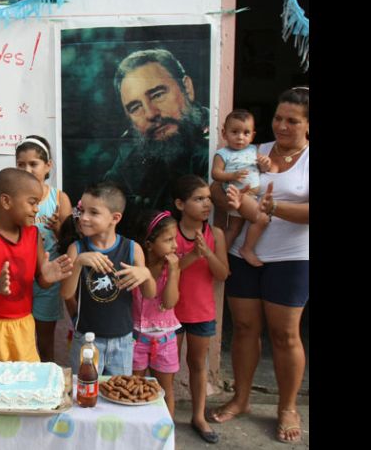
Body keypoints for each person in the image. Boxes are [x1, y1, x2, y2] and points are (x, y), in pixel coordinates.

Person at [209, 87, 309, 444]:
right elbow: (219, 190)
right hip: (243, 252)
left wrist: (270, 209)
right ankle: (241, 398)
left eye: (292, 120)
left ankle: (287, 406)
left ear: (307, 124)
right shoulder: (255, 150)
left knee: (284, 335)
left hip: (292, 257)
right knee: (246, 327)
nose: (282, 126)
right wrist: (226, 196)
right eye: (278, 118)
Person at [0, 168, 73, 362]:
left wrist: (48, 278)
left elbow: (41, 280)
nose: (37, 209)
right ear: (6, 201)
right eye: (32, 202)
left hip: (23, 325)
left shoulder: (33, 235)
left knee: (24, 380)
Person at [103, 48, 209, 238]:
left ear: (187, 88)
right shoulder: (130, 157)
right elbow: (101, 203)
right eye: (136, 107)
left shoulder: (217, 144)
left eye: (158, 94)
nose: (151, 114)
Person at [60, 181, 156, 376]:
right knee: (83, 394)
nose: (84, 218)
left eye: (93, 212)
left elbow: (150, 294)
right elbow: (66, 293)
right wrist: (79, 262)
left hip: (123, 340)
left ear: (115, 218)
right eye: (82, 210)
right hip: (86, 340)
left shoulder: (132, 249)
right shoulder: (77, 249)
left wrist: (146, 274)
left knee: (118, 394)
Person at [171, 175, 229, 444]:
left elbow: (223, 274)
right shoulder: (171, 233)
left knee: (197, 365)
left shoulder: (215, 234)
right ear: (180, 204)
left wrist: (207, 253)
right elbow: (167, 271)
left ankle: (198, 416)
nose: (207, 204)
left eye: (208, 198)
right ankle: (165, 416)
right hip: (170, 313)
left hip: (202, 312)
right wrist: (193, 255)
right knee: (167, 368)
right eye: (199, 199)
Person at [15, 135, 73, 362]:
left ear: (48, 166)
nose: (27, 169)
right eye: (21, 164)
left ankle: (47, 378)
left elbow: (69, 243)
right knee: (20, 336)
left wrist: (59, 229)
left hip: (48, 279)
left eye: (33, 164)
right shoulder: (13, 198)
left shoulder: (59, 198)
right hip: (21, 276)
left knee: (45, 338)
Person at [132, 210, 181, 418]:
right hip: (135, 338)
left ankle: (166, 435)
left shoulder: (170, 268)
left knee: (165, 390)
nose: (175, 245)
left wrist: (173, 273)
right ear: (149, 244)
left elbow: (169, 302)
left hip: (165, 339)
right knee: (134, 389)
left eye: (175, 239)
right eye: (168, 240)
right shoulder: (136, 266)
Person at [211, 110, 271, 266]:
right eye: (235, 132)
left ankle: (220, 259)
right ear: (224, 134)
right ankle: (247, 249)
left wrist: (264, 165)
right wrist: (232, 176)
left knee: (234, 228)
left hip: (250, 196)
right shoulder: (223, 153)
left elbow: (261, 170)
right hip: (238, 195)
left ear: (252, 135)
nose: (240, 137)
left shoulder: (253, 150)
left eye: (246, 133)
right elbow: (216, 174)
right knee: (262, 219)